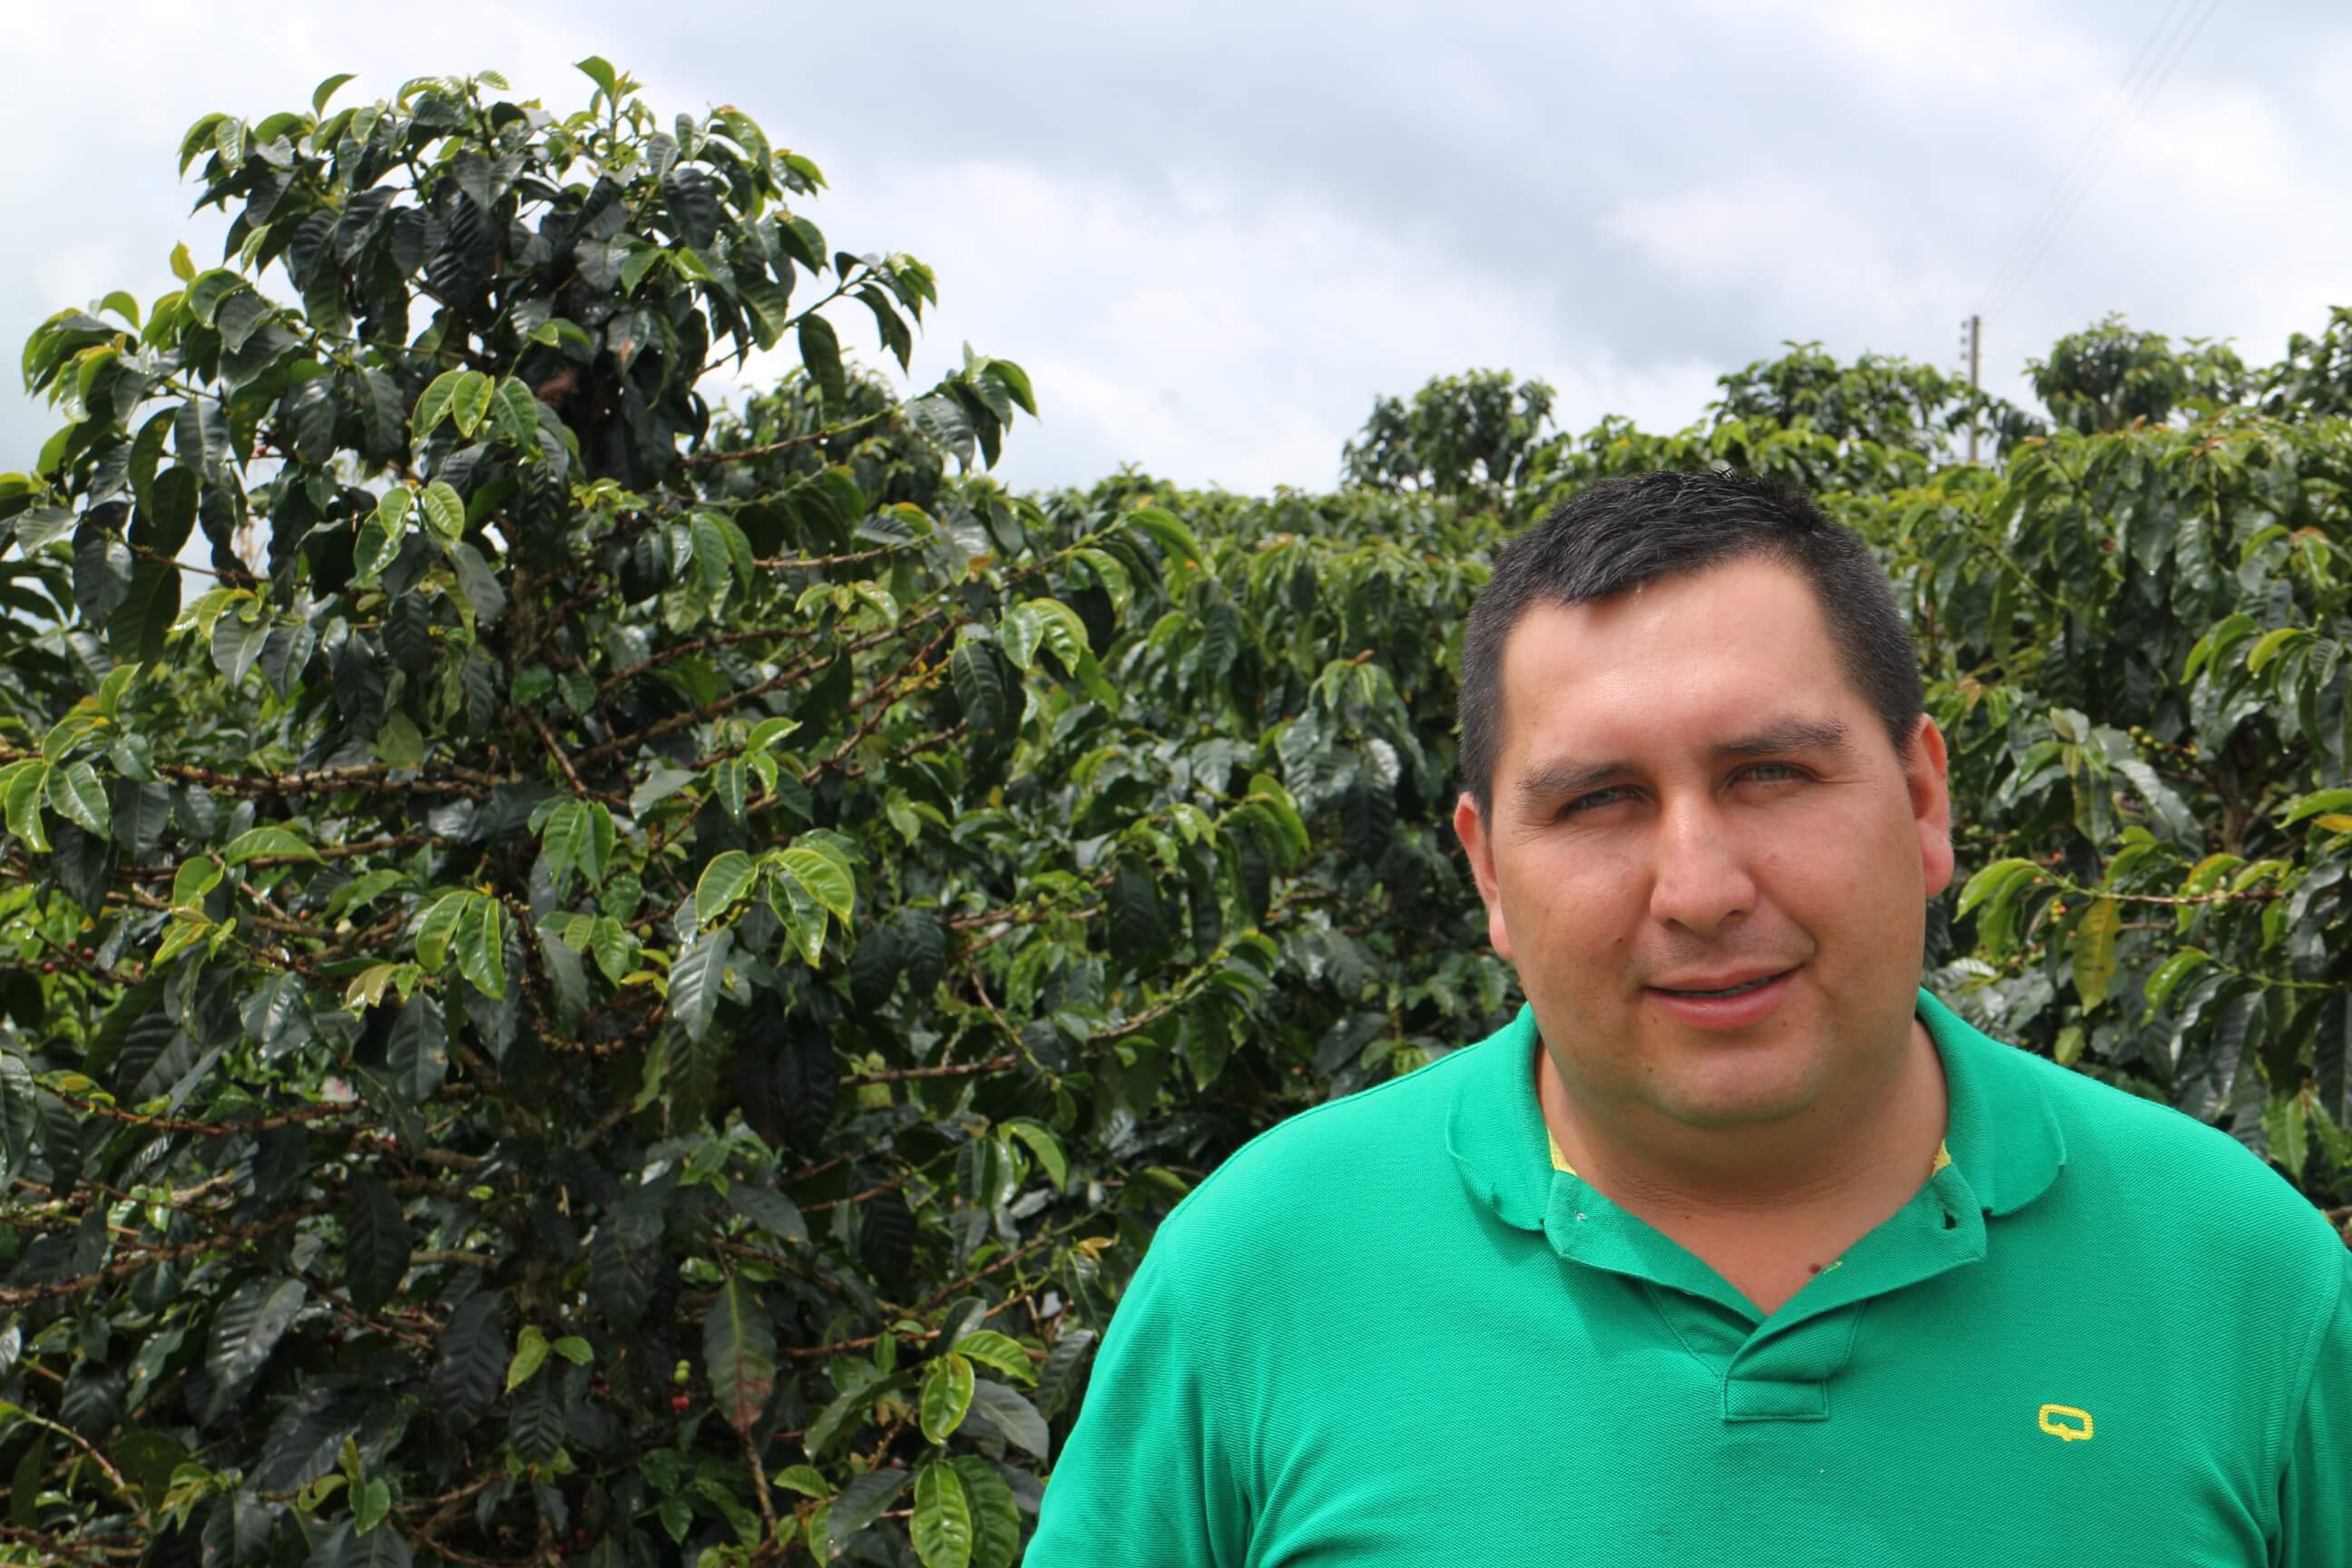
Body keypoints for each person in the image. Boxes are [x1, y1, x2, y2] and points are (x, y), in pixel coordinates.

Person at [1021, 470, 2349, 1564]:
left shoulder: (2250, 1285)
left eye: (1771, 773)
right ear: (1488, 869)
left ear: (1924, 801)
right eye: (1598, 800)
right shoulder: (1260, 1272)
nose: (1702, 890)